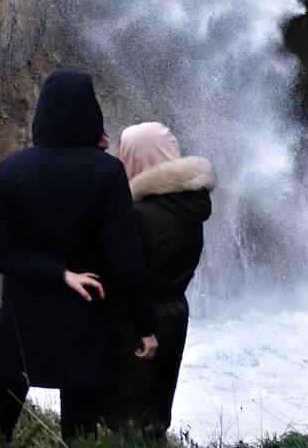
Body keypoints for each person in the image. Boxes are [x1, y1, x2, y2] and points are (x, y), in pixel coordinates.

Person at [0, 71, 157, 444]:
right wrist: (145, 326)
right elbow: (126, 260)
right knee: (79, 434)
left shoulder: (10, 170)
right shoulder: (108, 172)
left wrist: (56, 272)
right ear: (90, 113)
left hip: (20, 320)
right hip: (86, 319)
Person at [100, 123, 214, 440]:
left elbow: (124, 271)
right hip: (174, 313)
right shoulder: (191, 206)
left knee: (123, 419)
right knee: (154, 415)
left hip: (136, 323)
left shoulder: (136, 214)